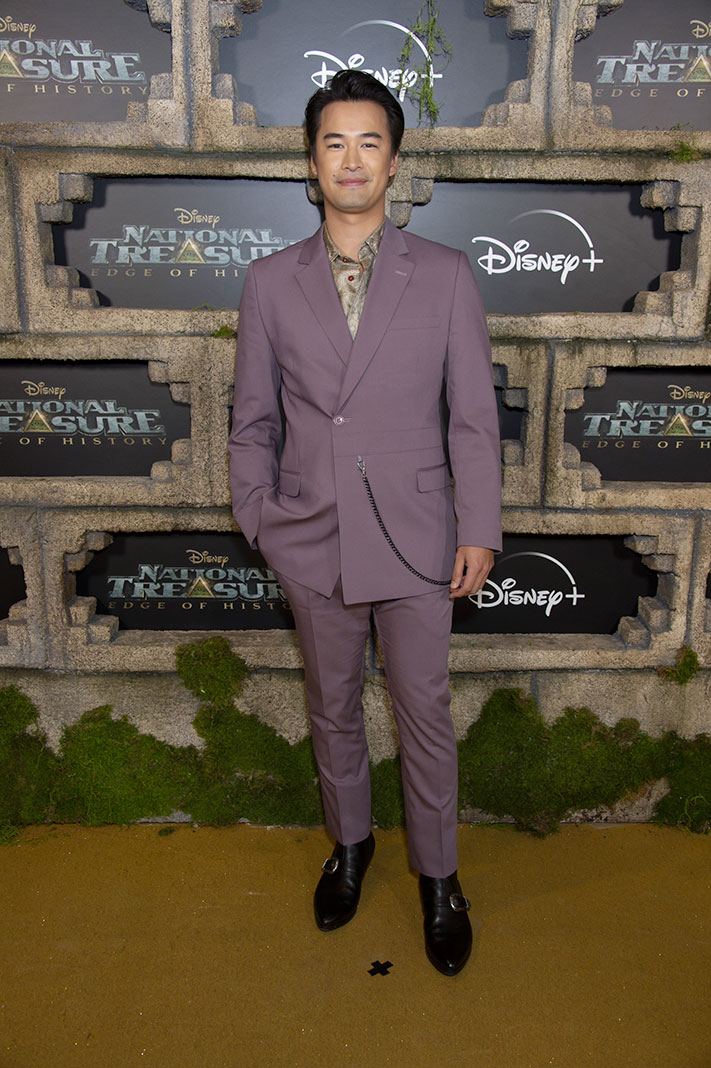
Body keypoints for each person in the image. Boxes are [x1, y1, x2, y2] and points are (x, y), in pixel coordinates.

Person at [228, 69, 502, 976]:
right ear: (311, 163)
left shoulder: (446, 275)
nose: (351, 159)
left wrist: (478, 527)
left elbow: (472, 418)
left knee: (423, 712)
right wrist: (261, 519)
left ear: (393, 162)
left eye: (369, 142)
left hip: (420, 539)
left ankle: (439, 877)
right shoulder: (269, 282)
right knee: (332, 707)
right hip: (310, 537)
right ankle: (349, 846)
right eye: (333, 142)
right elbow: (252, 422)